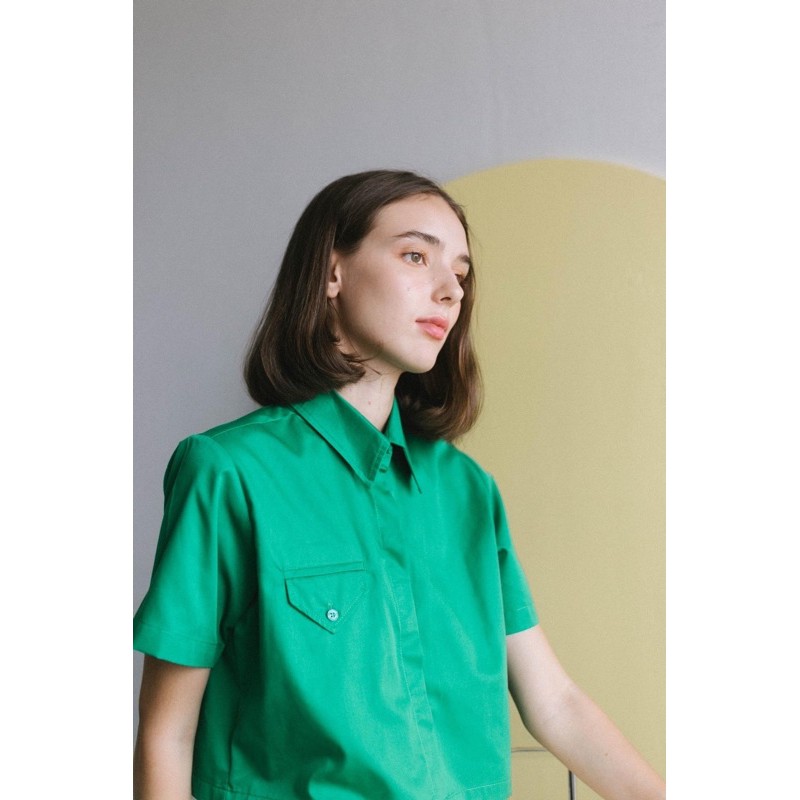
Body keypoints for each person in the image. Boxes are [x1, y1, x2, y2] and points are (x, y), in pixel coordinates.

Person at [133, 169, 666, 800]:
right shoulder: (228, 471)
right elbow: (167, 735)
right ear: (332, 273)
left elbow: (555, 704)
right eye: (416, 256)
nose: (450, 290)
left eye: (461, 274)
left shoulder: (468, 492)